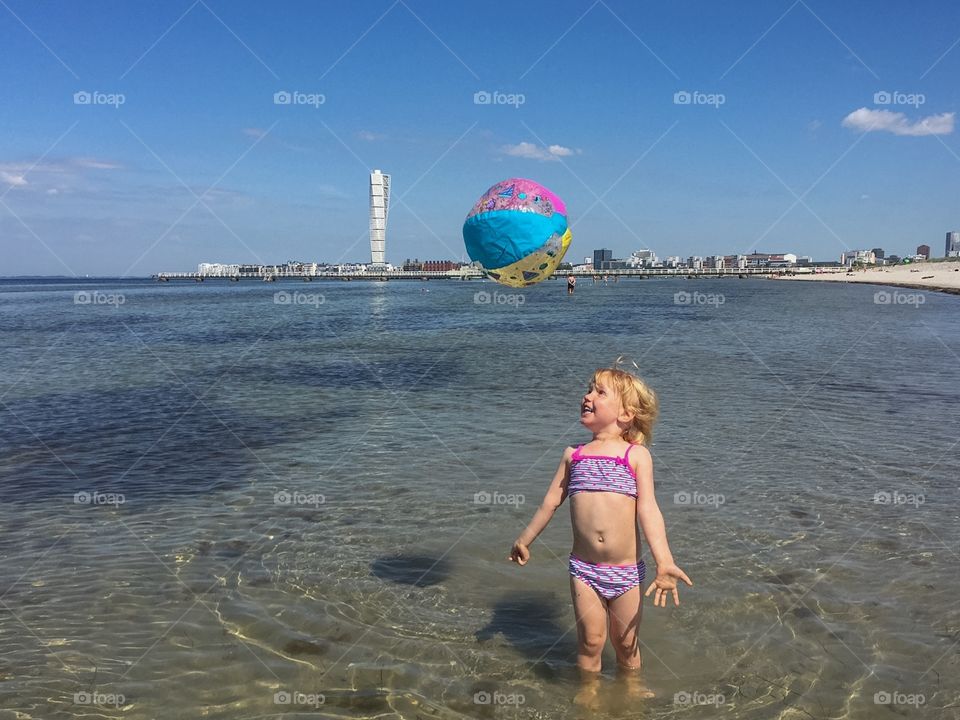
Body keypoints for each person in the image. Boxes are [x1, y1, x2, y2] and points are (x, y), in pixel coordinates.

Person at [508, 366, 691, 707]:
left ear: (626, 414)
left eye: (599, 392)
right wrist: (525, 539)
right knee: (590, 641)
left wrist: (664, 562)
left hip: (625, 572)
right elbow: (550, 502)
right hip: (584, 571)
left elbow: (649, 510)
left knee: (626, 643)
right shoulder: (573, 455)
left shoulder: (634, 456)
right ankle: (589, 691)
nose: (587, 396)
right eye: (588, 390)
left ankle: (631, 689)